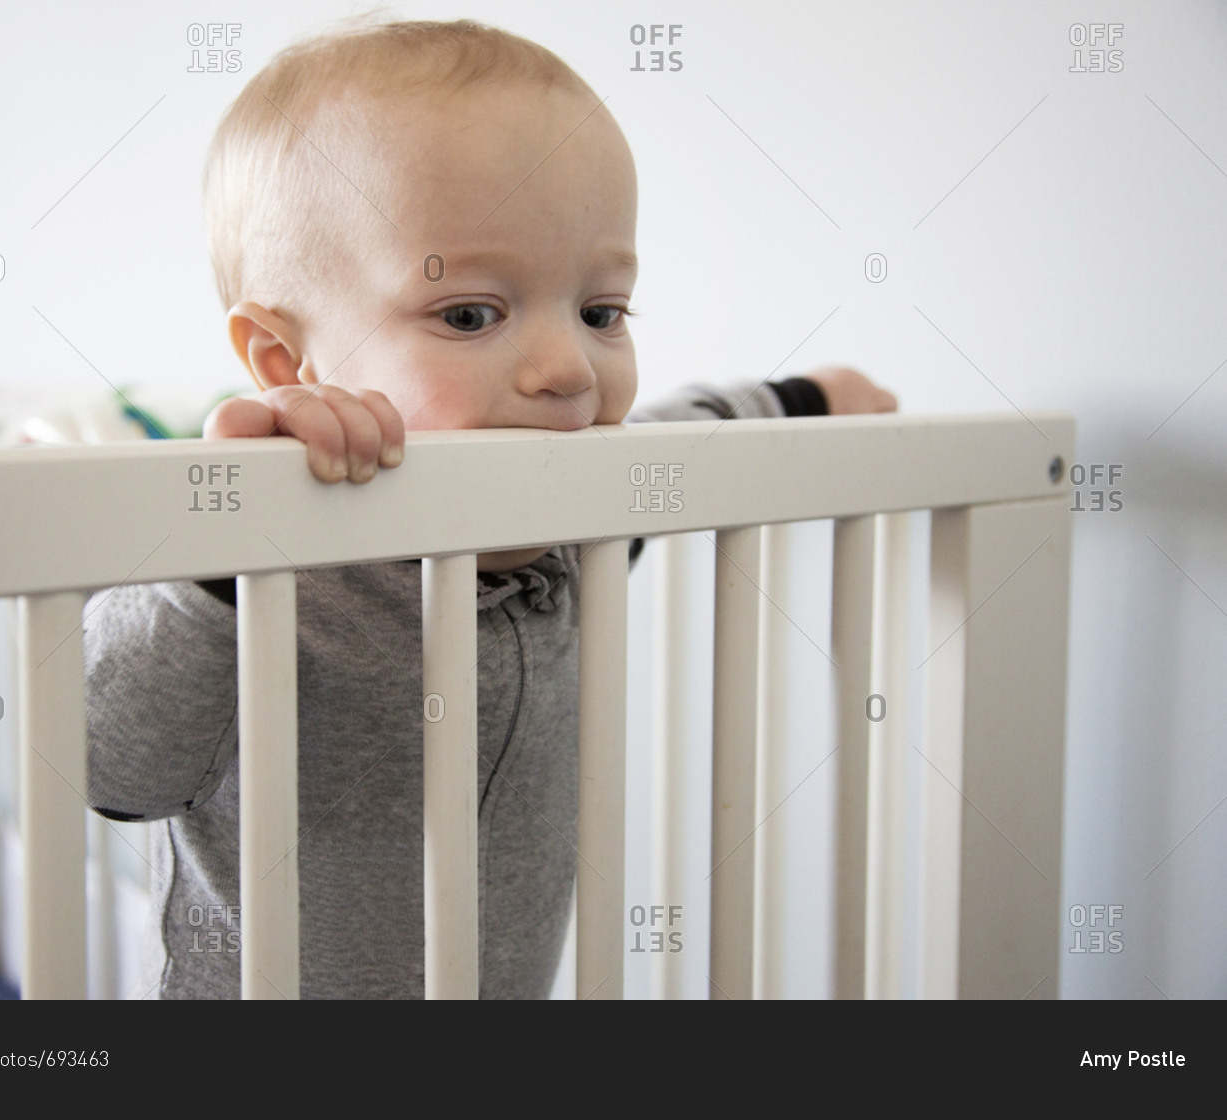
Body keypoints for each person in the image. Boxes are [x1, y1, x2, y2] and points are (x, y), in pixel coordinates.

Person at [83, 17, 896, 998]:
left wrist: (807, 398)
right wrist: (226, 543)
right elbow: (106, 766)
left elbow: (692, 427)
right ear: (287, 361)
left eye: (602, 312)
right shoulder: (271, 563)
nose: (567, 370)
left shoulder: (575, 535)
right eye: (470, 314)